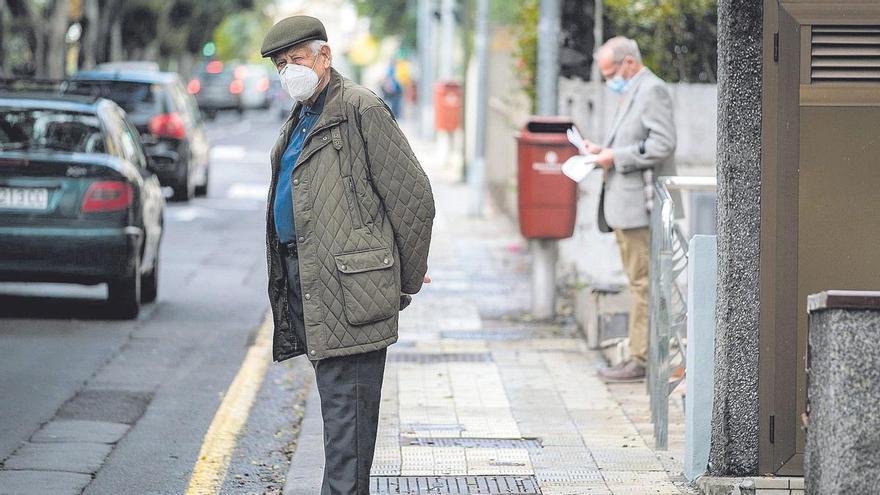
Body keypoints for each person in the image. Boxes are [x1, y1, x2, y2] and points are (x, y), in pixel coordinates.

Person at [260, 16, 435, 494]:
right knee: (341, 421)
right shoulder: (303, 114)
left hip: (352, 289)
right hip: (313, 281)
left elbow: (414, 198)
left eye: (295, 60)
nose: (287, 71)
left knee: (348, 429)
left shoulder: (360, 108)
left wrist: (403, 281)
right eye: (281, 65)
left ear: (324, 57)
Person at [584, 36, 677, 382]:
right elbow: (634, 141)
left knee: (642, 283)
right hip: (625, 205)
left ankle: (641, 360)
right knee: (638, 282)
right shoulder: (633, 91)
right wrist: (602, 152)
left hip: (640, 205)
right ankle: (638, 357)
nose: (609, 80)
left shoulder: (652, 90)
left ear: (628, 63)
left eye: (609, 72)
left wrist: (615, 158)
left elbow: (663, 143)